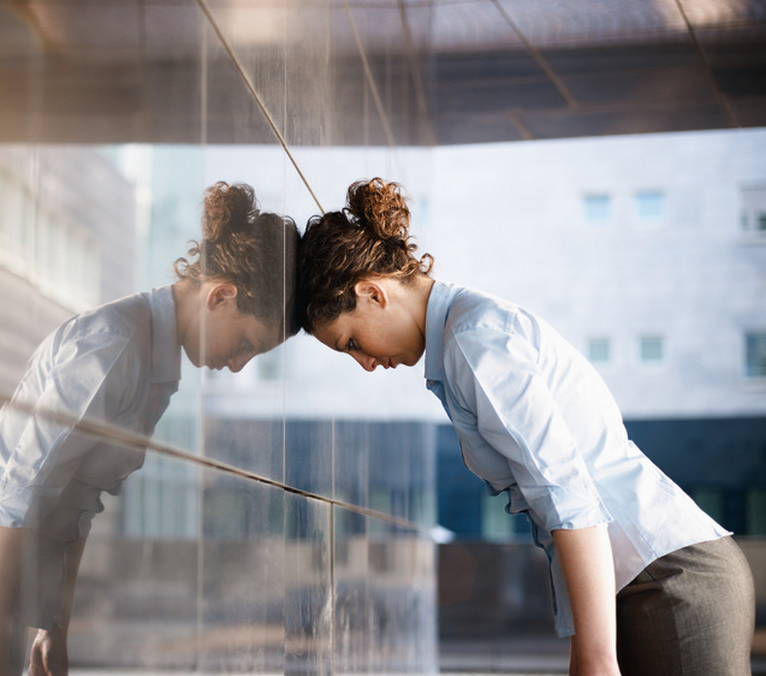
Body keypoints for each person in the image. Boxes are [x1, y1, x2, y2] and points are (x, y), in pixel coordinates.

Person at [296, 178, 754, 676]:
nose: (364, 362)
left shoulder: (472, 340)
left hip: (668, 580)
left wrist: (595, 657)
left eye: (350, 342)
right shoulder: (466, 334)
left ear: (371, 293)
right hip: (651, 581)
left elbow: (567, 493)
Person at [0, 181, 299, 676]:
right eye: (246, 342)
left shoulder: (155, 364)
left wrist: (52, 627)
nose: (240, 364)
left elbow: (77, 505)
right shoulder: (116, 344)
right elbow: (18, 494)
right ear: (220, 295)